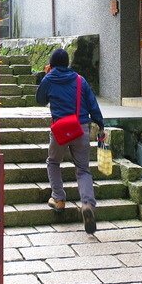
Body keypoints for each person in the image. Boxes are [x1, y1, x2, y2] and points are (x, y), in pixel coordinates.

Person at [35, 48, 105, 234]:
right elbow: (93, 104)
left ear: (51, 64)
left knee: (53, 162)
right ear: (68, 63)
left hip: (60, 129)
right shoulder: (80, 80)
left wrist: (46, 75)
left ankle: (58, 198)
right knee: (83, 169)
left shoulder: (49, 79)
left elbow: (40, 100)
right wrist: (100, 124)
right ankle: (88, 205)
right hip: (81, 128)